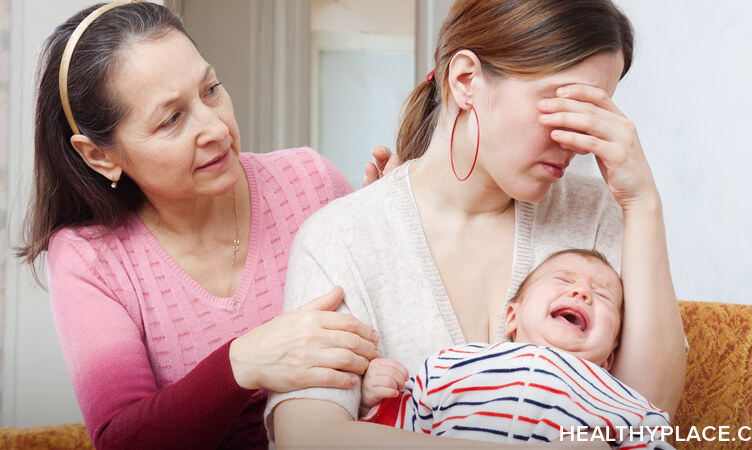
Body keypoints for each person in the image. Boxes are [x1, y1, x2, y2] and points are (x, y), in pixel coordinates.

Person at [269, 0, 686, 447]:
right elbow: (310, 436)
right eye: (565, 105)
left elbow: (644, 416)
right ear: (466, 80)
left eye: (594, 113)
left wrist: (643, 203)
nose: (579, 143)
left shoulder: (596, 214)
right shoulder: (342, 238)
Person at [18, 2, 389, 448]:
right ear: (100, 155)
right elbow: (123, 440)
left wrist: (397, 225)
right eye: (171, 119)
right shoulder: (91, 258)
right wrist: (240, 363)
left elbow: (400, 350)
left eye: (211, 90)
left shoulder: (311, 181)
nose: (214, 126)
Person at [359, 249, 673, 449]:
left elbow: (652, 440)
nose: (582, 292)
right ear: (512, 316)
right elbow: (404, 425)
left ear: (609, 358)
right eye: (563, 279)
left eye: (602, 296)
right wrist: (375, 397)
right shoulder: (453, 363)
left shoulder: (617, 396)